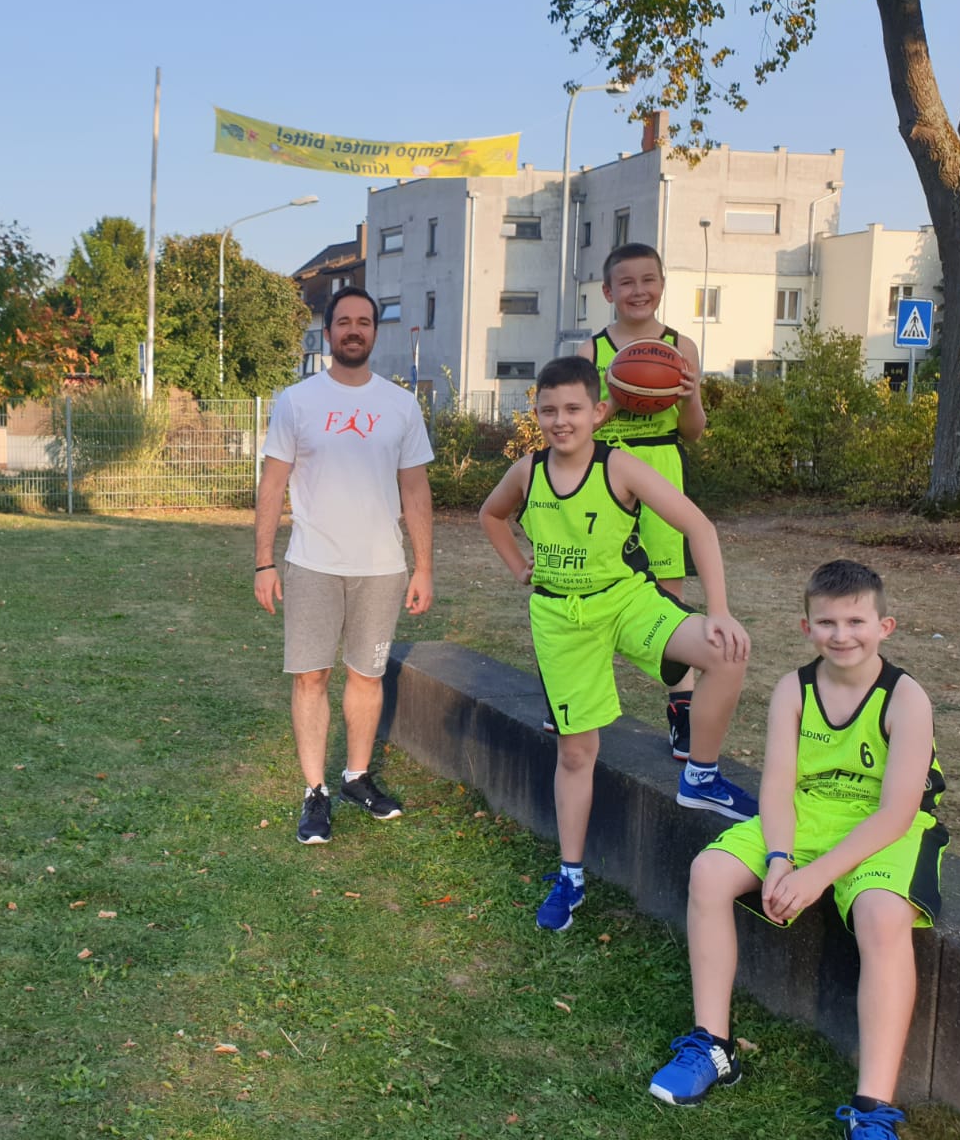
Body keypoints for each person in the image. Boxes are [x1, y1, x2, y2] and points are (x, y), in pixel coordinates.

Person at [648, 561, 945, 1138]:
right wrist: (781, 859)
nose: (842, 635)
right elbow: (779, 786)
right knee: (709, 872)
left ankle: (873, 1106)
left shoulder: (906, 698)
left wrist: (817, 876)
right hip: (807, 814)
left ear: (884, 627)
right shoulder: (794, 688)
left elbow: (896, 813)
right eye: (827, 622)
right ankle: (713, 1046)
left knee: (882, 915)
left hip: (886, 827)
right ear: (806, 628)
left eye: (856, 622)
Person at [478, 356, 756, 931]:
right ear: (536, 414)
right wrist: (518, 566)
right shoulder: (528, 472)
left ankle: (701, 775)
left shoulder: (620, 466)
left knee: (727, 651)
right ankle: (571, 876)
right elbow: (491, 515)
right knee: (576, 753)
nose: (561, 420)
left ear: (599, 411)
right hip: (561, 619)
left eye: (573, 408)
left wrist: (721, 610)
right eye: (548, 410)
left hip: (627, 601)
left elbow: (699, 526)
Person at [253, 286, 434, 846]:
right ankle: (315, 792)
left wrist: (423, 567)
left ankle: (356, 777)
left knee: (367, 675)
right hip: (313, 563)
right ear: (328, 331)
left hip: (381, 567)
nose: (354, 329)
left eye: (364, 321)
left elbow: (416, 489)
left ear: (374, 331)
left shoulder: (401, 405)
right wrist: (263, 563)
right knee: (311, 676)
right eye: (344, 321)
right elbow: (272, 484)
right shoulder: (296, 401)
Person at [576, 243, 706, 759]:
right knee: (591, 584)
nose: (638, 290)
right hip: (605, 472)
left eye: (648, 280)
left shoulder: (681, 346)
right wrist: (614, 398)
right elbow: (575, 431)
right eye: (626, 282)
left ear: (662, 285)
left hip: (661, 468)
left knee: (668, 598)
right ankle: (574, 692)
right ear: (608, 292)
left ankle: (682, 710)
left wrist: (688, 397)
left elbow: (693, 431)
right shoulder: (590, 353)